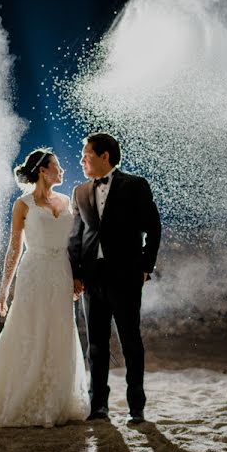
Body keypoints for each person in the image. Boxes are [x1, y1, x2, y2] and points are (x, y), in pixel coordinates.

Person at [0, 148, 90, 427]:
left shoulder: (67, 201)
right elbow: (14, 249)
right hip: (34, 273)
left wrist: (76, 275)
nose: (62, 170)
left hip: (61, 271)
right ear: (42, 171)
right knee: (29, 329)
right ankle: (23, 397)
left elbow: (74, 243)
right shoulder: (23, 205)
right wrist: (3, 289)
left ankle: (57, 399)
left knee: (60, 330)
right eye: (57, 166)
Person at [68, 133, 161, 423]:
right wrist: (75, 273)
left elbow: (154, 228)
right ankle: (99, 407)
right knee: (95, 345)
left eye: (87, 155)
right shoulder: (80, 191)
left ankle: (136, 407)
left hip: (126, 276)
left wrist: (145, 267)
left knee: (131, 342)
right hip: (92, 279)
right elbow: (77, 235)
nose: (82, 160)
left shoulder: (135, 185)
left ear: (104, 156)